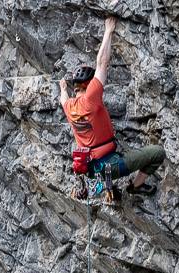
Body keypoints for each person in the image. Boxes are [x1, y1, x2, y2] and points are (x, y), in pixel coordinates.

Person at [59, 16, 166, 196]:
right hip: (111, 165)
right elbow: (102, 62)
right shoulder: (90, 99)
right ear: (87, 85)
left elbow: (63, 99)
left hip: (91, 169)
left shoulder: (69, 107)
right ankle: (136, 187)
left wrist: (63, 88)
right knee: (157, 153)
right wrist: (108, 31)